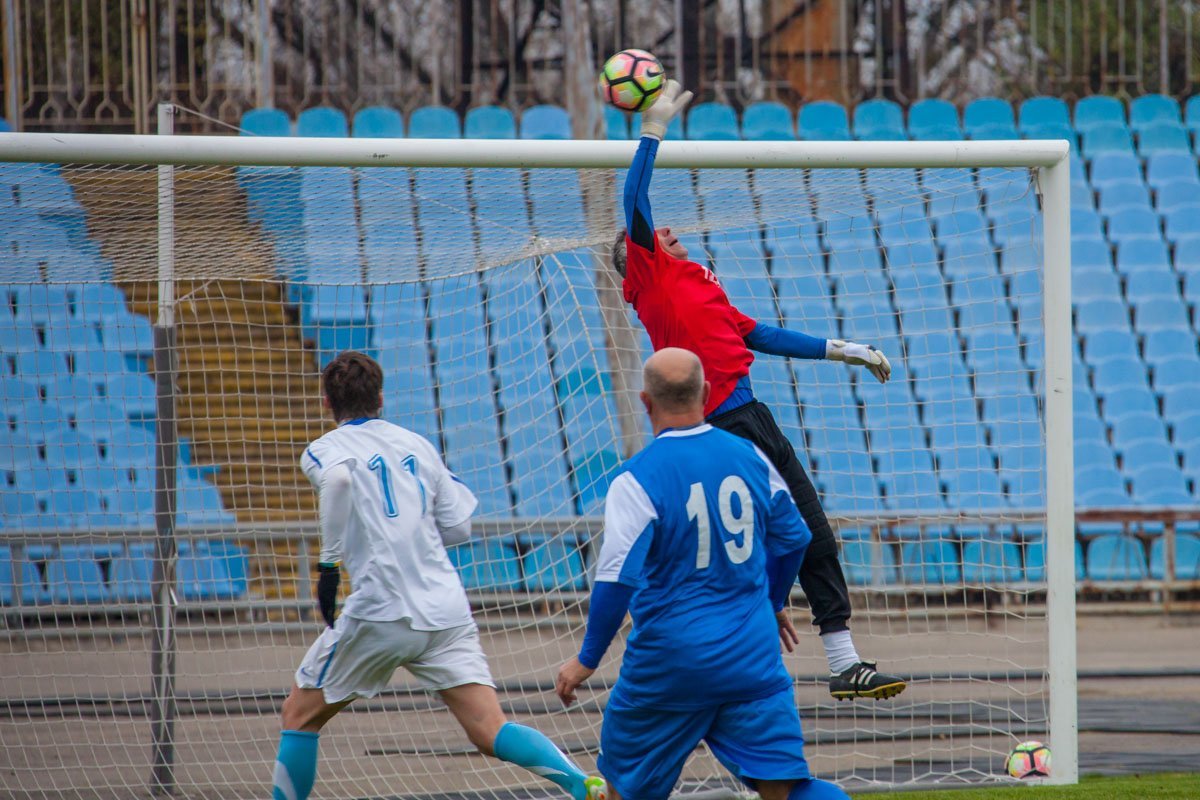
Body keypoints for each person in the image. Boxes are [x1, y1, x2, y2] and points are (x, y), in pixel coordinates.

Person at [610, 80, 905, 701]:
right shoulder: (650, 276)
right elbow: (634, 195)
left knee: (811, 534)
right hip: (719, 426)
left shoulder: (700, 282)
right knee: (745, 550)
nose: (666, 231)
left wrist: (840, 350)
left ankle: (844, 663)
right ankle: (701, 657)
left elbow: (758, 331)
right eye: (655, 234)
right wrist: (653, 130)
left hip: (753, 417)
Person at [271, 351, 602, 800]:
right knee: (490, 728)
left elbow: (341, 483)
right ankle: (583, 786)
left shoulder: (325, 448)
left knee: (298, 716)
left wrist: (328, 565)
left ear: (326, 403)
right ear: (381, 398)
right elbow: (460, 525)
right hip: (444, 606)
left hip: (382, 610)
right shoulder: (417, 444)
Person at [555, 348, 849, 800]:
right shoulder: (750, 456)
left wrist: (588, 658)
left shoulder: (635, 479)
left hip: (668, 665)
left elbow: (617, 580)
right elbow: (795, 538)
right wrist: (772, 604)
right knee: (785, 790)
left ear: (645, 402)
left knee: (624, 791)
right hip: (751, 659)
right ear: (707, 393)